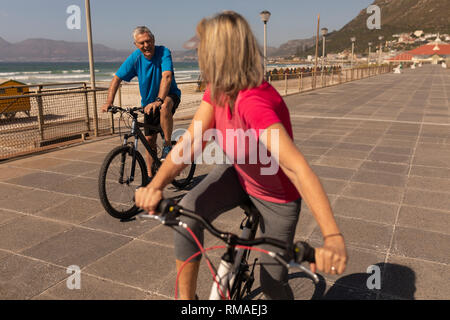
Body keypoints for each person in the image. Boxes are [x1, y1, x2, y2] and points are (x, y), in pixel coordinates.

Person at [135, 11, 347, 300]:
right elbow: (189, 144)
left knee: (272, 283)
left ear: (218, 53)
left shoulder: (253, 102)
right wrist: (155, 186)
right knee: (187, 212)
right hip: (240, 175)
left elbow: (297, 169)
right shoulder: (217, 91)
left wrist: (332, 237)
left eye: (203, 49)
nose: (199, 55)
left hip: (278, 200)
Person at [101, 26, 181, 175]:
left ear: (153, 40)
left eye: (148, 41)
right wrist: (109, 101)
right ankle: (150, 178)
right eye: (141, 43)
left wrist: (159, 100)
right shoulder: (135, 57)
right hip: (148, 104)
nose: (146, 45)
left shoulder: (163, 51)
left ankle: (167, 145)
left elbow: (167, 76)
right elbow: (117, 78)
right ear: (136, 45)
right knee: (149, 141)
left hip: (169, 95)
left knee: (164, 107)